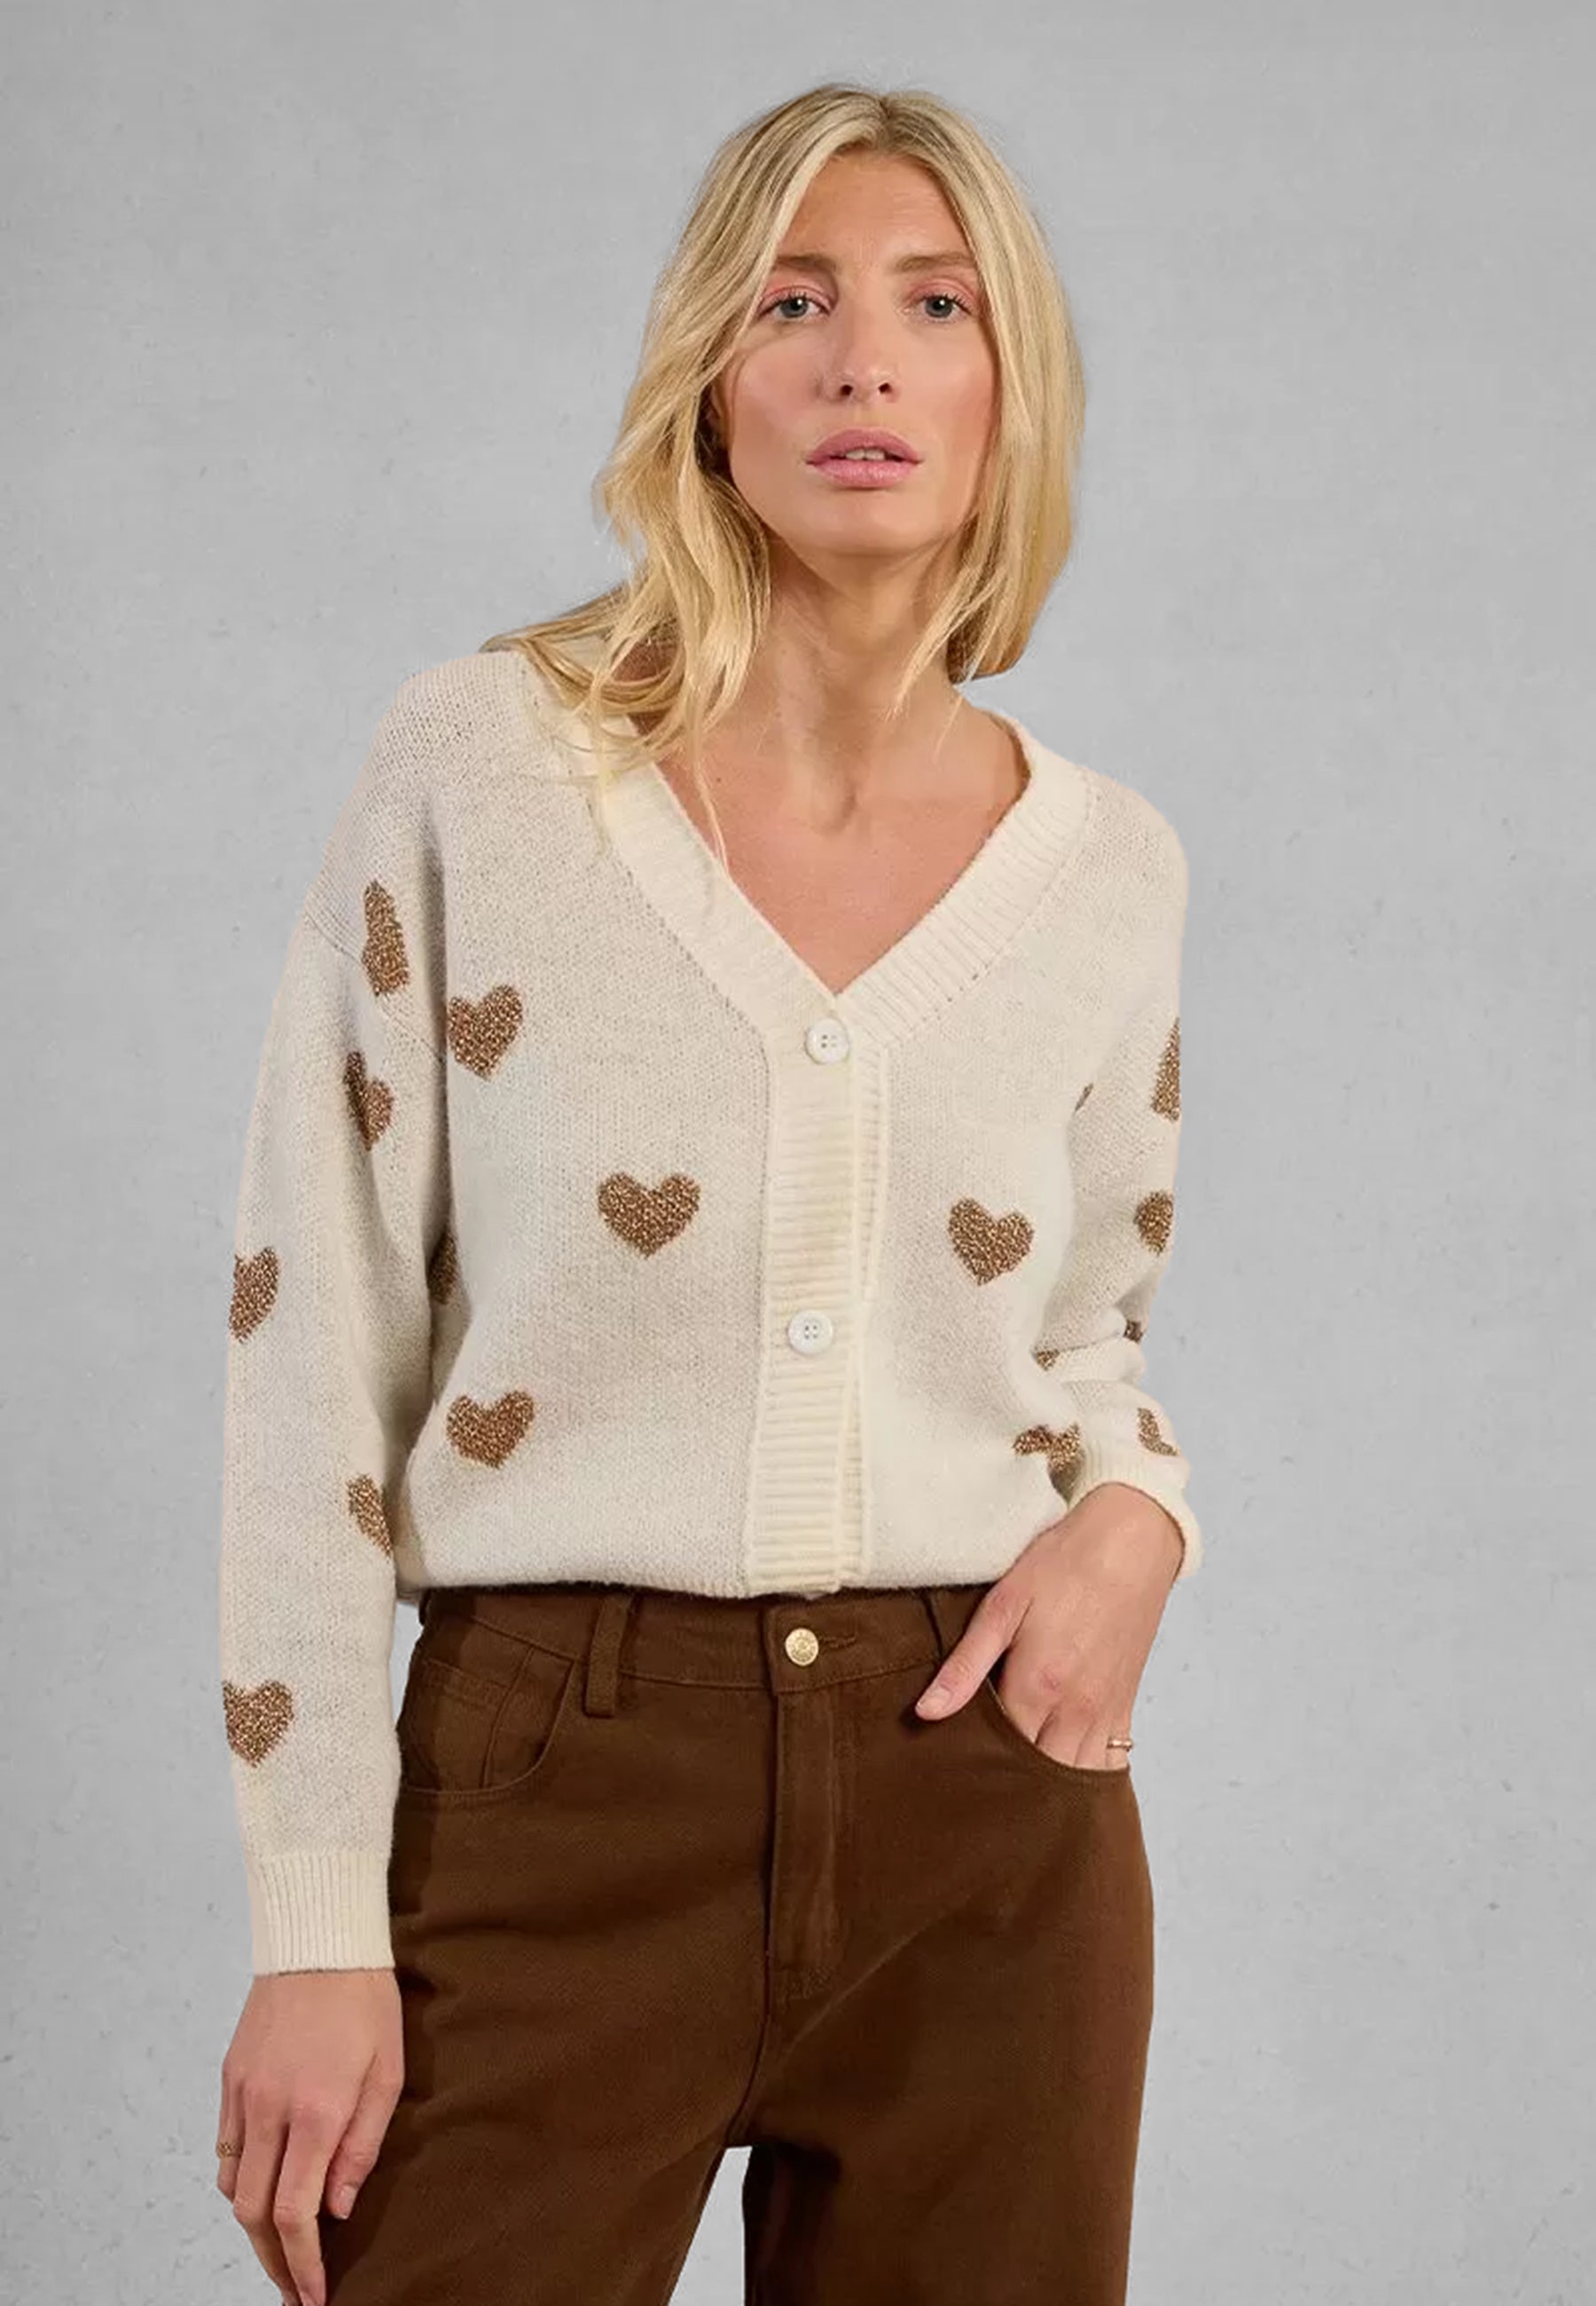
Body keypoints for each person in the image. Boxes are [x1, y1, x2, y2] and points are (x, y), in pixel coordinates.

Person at [213, 79, 1202, 2306]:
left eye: (935, 305)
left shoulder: (1109, 870)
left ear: (1010, 386)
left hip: (989, 1818)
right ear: (707, 383)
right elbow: (311, 1350)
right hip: (550, 1783)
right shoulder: (480, 770)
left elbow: (1090, 1326)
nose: (865, 364)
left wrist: (1143, 1514)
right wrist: (313, 1925)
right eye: (794, 303)